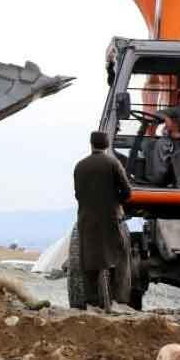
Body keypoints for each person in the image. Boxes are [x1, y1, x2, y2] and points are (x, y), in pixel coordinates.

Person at [73, 130, 133, 309]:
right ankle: (116, 301)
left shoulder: (80, 166)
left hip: (87, 218)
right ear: (107, 145)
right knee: (119, 257)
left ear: (91, 144)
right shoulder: (113, 163)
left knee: (88, 261)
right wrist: (117, 201)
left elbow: (78, 194)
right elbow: (127, 192)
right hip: (111, 218)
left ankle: (91, 303)